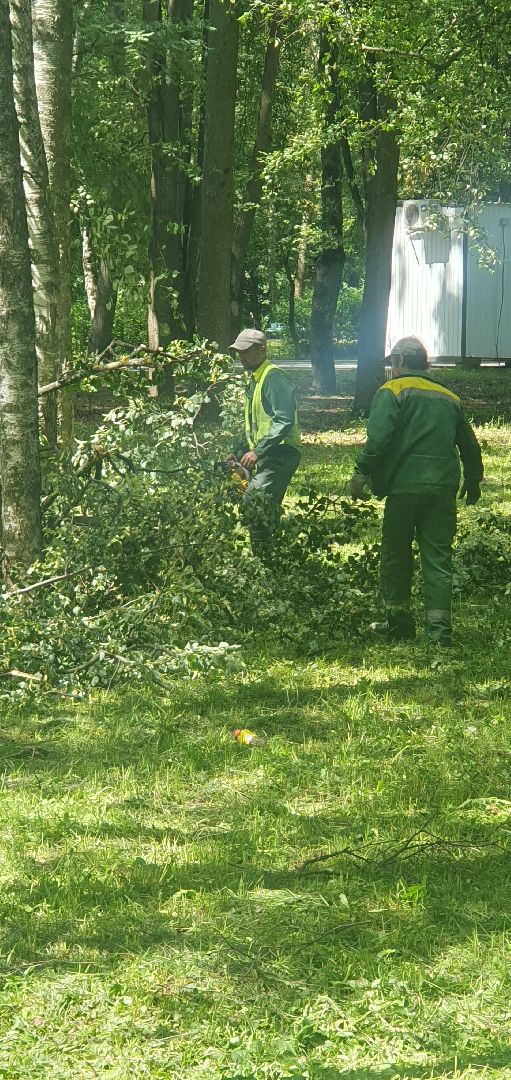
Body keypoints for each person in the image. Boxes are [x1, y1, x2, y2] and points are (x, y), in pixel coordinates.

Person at [349, 336, 483, 645]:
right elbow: (469, 444)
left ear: (397, 362)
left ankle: (398, 623)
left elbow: (379, 439)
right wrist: (473, 479)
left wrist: (361, 472)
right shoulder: (449, 396)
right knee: (438, 557)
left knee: (396, 553)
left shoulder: (392, 391)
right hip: (442, 487)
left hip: (404, 487)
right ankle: (439, 632)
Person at [228, 328, 301, 555]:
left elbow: (284, 420)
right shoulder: (254, 380)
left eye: (246, 351)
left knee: (253, 502)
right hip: (268, 452)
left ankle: (266, 559)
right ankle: (270, 561)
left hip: (281, 452)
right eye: (239, 352)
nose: (242, 356)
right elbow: (253, 423)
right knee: (257, 504)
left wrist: (258, 452)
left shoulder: (274, 377)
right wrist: (237, 450)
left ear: (262, 350)